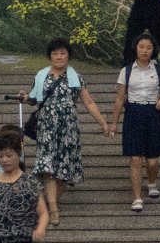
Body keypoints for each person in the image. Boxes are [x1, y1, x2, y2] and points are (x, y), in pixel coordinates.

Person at [19, 38, 112, 226]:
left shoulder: (75, 77)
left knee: (64, 173)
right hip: (46, 128)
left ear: (68, 55)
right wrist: (25, 97)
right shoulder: (41, 75)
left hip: (68, 130)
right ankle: (53, 210)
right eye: (55, 53)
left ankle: (48, 203)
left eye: (62, 53)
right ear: (49, 56)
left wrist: (103, 122)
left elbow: (89, 102)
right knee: (48, 168)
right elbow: (35, 100)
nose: (59, 57)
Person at [112, 33, 160, 212]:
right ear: (135, 48)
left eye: (148, 47)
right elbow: (119, 99)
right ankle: (137, 198)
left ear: (152, 50)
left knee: (152, 161)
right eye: (141, 47)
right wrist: (114, 123)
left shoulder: (159, 70)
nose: (144, 50)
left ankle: (152, 182)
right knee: (135, 158)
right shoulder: (126, 71)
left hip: (153, 112)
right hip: (133, 112)